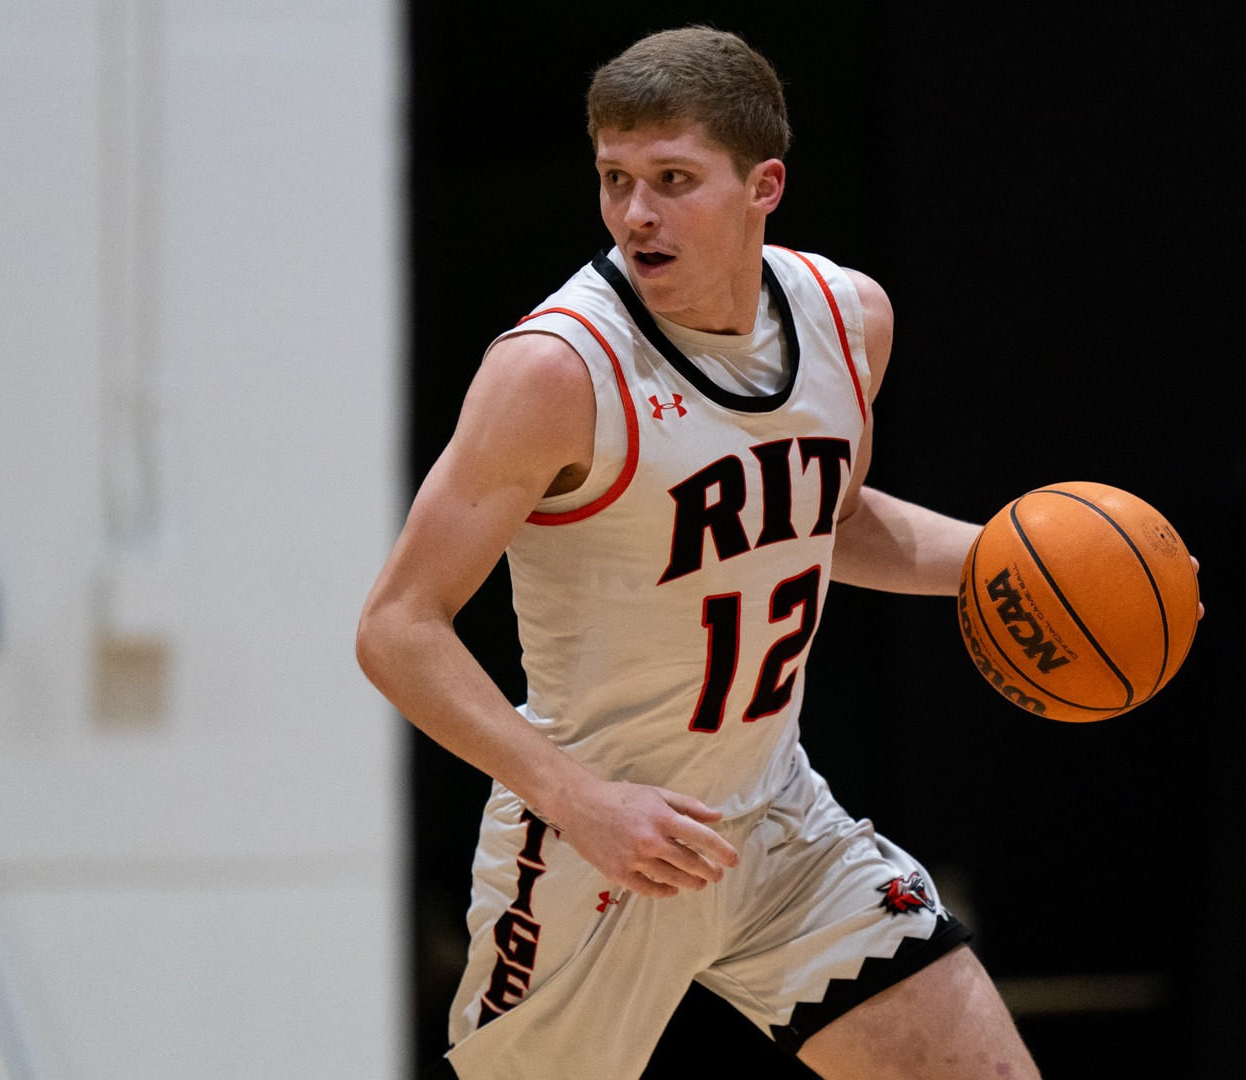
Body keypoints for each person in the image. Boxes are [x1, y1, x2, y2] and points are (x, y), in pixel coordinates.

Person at [357, 27, 1065, 1080]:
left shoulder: (846, 318)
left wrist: (1022, 564)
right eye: (614, 179)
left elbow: (821, 520)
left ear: (762, 184)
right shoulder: (556, 371)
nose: (635, 213)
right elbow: (395, 628)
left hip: (777, 818)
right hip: (597, 837)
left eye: (672, 179)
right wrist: (578, 800)